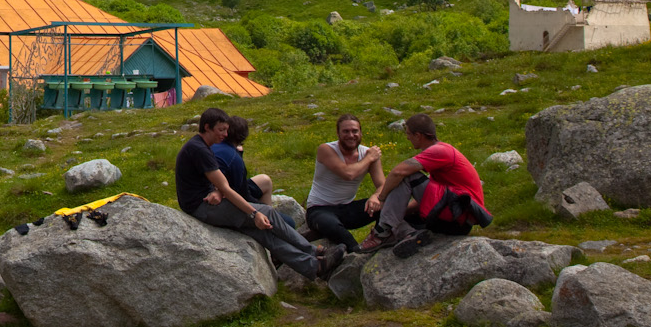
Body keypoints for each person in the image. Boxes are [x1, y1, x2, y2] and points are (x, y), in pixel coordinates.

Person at [176, 106, 344, 280]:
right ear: (207, 127)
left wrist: (216, 191)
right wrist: (254, 213)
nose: (225, 134)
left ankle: (314, 266)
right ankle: (313, 251)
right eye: (221, 130)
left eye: (226, 130)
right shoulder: (200, 149)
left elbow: (214, 182)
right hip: (201, 207)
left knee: (262, 233)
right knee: (268, 212)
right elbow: (226, 187)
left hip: (204, 202)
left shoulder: (203, 146)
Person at [361, 113, 489, 258]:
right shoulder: (441, 151)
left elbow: (398, 172)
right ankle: (409, 235)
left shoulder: (439, 151)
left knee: (408, 176)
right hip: (456, 216)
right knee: (393, 216)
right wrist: (400, 210)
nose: (407, 137)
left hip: (457, 218)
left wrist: (382, 198)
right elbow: (431, 196)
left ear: (418, 135)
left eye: (409, 134)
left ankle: (382, 233)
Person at [305, 114, 385, 252]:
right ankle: (356, 251)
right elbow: (348, 174)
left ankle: (380, 238)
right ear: (338, 133)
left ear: (360, 132)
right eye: (346, 131)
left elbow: (383, 185)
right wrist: (369, 158)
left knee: (388, 203)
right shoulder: (326, 149)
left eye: (355, 131)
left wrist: (375, 196)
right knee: (330, 224)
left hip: (347, 208)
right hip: (320, 209)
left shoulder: (367, 153)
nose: (351, 135)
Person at [212, 115, 272, 205]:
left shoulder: (213, 145)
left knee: (265, 180)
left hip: (220, 189)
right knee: (285, 219)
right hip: (229, 196)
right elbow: (243, 194)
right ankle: (269, 215)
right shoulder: (235, 159)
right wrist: (261, 208)